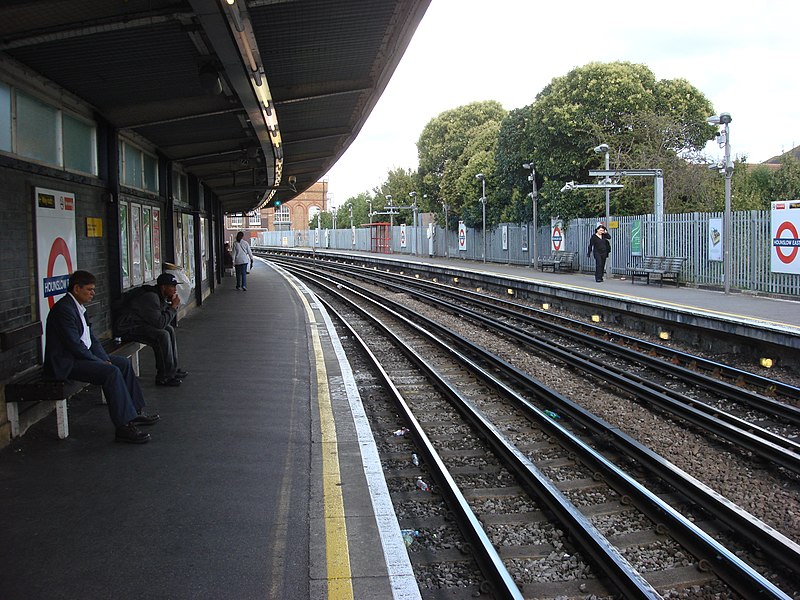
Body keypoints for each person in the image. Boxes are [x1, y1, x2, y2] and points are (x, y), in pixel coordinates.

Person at [44, 270, 158, 444]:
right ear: (76, 288)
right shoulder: (64, 310)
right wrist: (99, 362)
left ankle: (134, 412)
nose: (93, 293)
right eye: (89, 289)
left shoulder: (78, 307)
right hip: (65, 362)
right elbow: (74, 345)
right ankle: (123, 427)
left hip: (80, 357)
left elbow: (91, 339)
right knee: (110, 372)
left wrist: (105, 357)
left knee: (122, 364)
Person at [114, 272, 188, 387]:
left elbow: (161, 320)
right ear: (163, 287)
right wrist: (173, 307)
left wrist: (170, 307)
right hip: (126, 328)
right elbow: (160, 323)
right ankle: (164, 377)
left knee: (169, 329)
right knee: (162, 335)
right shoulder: (151, 297)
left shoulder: (160, 296)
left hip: (138, 324)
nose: (175, 290)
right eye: (172, 286)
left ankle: (172, 370)